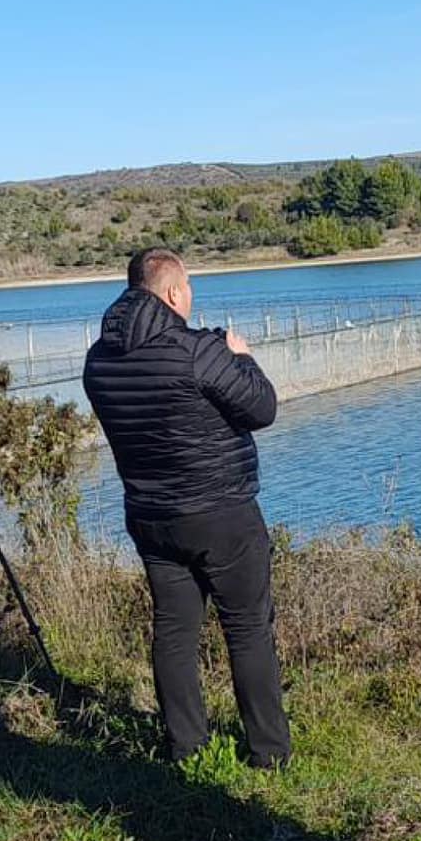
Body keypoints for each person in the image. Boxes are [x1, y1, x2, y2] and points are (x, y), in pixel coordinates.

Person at [82, 247, 292, 769]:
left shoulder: (98, 358)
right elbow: (261, 407)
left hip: (151, 513)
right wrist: (241, 356)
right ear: (174, 291)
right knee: (246, 628)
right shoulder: (198, 350)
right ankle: (268, 752)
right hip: (221, 510)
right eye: (189, 287)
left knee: (173, 631)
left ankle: (186, 745)